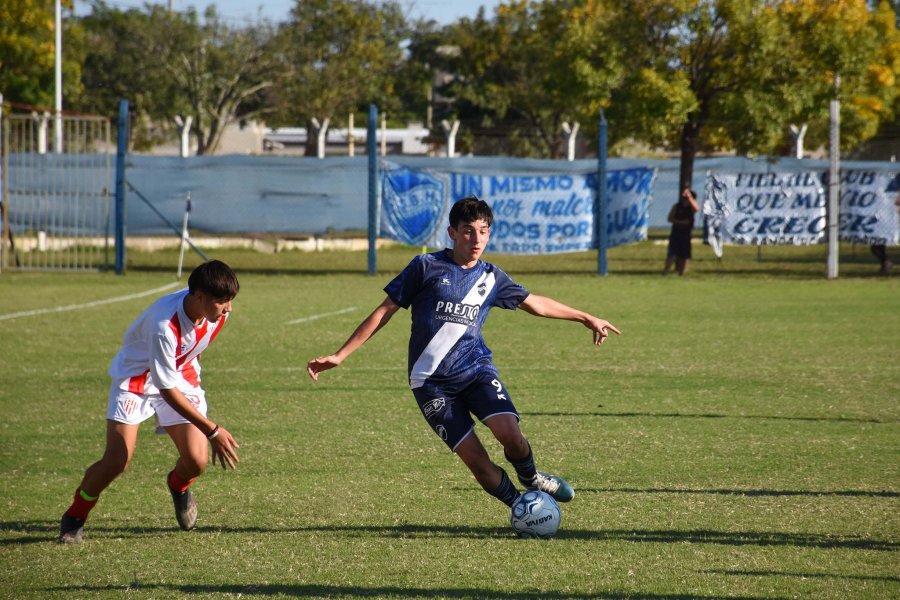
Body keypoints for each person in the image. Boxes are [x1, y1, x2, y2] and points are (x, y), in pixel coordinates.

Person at [307, 197, 621, 513]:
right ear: (453, 233)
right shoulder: (425, 267)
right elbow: (383, 312)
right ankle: (520, 507)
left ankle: (532, 477)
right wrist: (340, 355)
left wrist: (585, 317)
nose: (476, 240)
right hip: (430, 383)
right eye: (468, 231)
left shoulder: (491, 277)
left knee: (510, 434)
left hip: (475, 370)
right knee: (476, 460)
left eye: (483, 232)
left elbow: (535, 303)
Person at [58, 260, 241, 544]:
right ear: (200, 297)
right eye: (222, 302)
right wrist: (212, 430)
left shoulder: (215, 312)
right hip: (136, 380)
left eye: (230, 300)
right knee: (117, 461)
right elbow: (167, 390)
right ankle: (75, 516)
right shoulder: (163, 325)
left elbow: (189, 351)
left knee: (196, 461)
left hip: (178, 374)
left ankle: (178, 485)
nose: (228, 308)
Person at [663, 187, 700, 275]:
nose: (684, 200)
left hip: (686, 234)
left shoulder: (691, 208)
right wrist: (681, 222)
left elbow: (696, 208)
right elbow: (670, 218)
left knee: (684, 255)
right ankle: (666, 271)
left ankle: (681, 273)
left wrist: (689, 197)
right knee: (672, 254)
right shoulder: (677, 206)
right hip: (676, 232)